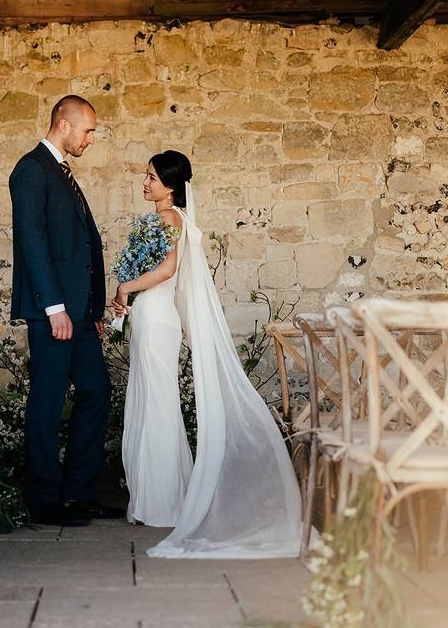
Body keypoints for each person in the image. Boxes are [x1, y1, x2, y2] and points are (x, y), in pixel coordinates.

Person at [112, 151, 305, 557]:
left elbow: (166, 271)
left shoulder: (168, 219)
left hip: (156, 317)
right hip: (153, 316)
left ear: (170, 184)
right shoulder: (173, 219)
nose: (144, 183)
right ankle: (158, 498)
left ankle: (160, 502)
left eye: (151, 177)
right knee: (153, 401)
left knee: (158, 405)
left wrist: (125, 288)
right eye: (145, 176)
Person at [9, 95, 122, 526]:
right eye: (88, 130)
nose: (90, 139)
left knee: (96, 390)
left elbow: (82, 246)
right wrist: (55, 307)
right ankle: (44, 498)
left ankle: (78, 493)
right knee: (48, 400)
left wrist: (93, 307)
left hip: (79, 315)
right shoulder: (31, 169)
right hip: (52, 312)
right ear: (63, 123)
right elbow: (33, 241)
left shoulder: (62, 174)